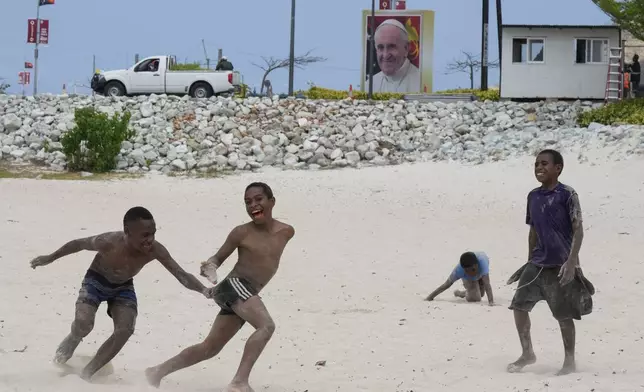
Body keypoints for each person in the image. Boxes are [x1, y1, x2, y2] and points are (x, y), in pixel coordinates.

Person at [29, 207, 210, 381]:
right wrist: (50, 257)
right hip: (95, 281)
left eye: (153, 233)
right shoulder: (109, 241)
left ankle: (88, 373)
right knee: (84, 324)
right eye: (145, 235)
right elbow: (78, 244)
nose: (150, 240)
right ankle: (74, 337)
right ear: (127, 232)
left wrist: (204, 290)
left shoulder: (156, 250)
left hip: (123, 287)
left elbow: (181, 274)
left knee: (125, 329)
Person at [145, 182, 295, 392]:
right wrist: (210, 268)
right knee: (266, 326)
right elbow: (217, 258)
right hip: (235, 286)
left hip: (244, 294)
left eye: (258, 199)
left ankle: (156, 372)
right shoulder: (241, 232)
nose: (253, 205)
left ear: (272, 201)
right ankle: (239, 382)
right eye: (247, 202)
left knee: (210, 348)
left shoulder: (287, 232)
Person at [506, 149, 594, 376]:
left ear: (558, 168)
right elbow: (533, 230)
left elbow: (579, 230)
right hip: (536, 263)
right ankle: (527, 353)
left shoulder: (567, 194)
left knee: (563, 315)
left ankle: (569, 361)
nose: (539, 168)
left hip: (562, 264)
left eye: (544, 164)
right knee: (518, 306)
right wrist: (528, 261)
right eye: (536, 164)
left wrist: (572, 262)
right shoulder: (533, 196)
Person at [425, 251, 494, 305]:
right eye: (467, 271)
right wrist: (430, 297)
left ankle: (464, 293)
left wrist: (491, 302)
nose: (471, 273)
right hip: (468, 279)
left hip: (480, 274)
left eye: (473, 270)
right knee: (475, 298)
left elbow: (487, 284)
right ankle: (463, 293)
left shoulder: (483, 263)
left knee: (481, 294)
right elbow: (446, 284)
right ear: (464, 269)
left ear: (477, 265)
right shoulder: (459, 270)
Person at [371, 19, 421, 93]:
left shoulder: (422, 83)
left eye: (391, 46)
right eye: (380, 47)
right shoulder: (369, 85)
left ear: (406, 48)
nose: (385, 55)